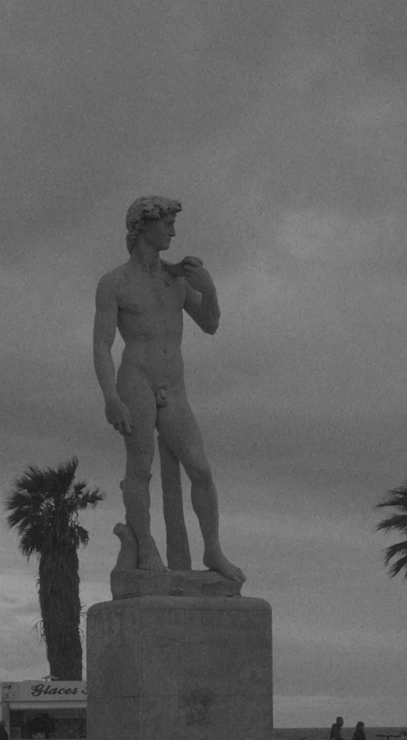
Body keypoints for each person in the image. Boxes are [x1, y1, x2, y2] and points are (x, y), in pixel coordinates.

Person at [93, 196, 244, 582]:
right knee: (140, 468)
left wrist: (209, 290)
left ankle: (213, 550)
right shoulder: (115, 283)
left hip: (173, 385)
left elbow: (210, 325)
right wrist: (111, 397)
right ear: (145, 226)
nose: (174, 232)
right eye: (168, 224)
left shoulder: (176, 280)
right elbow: (102, 344)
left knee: (200, 468)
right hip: (136, 379)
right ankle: (145, 545)